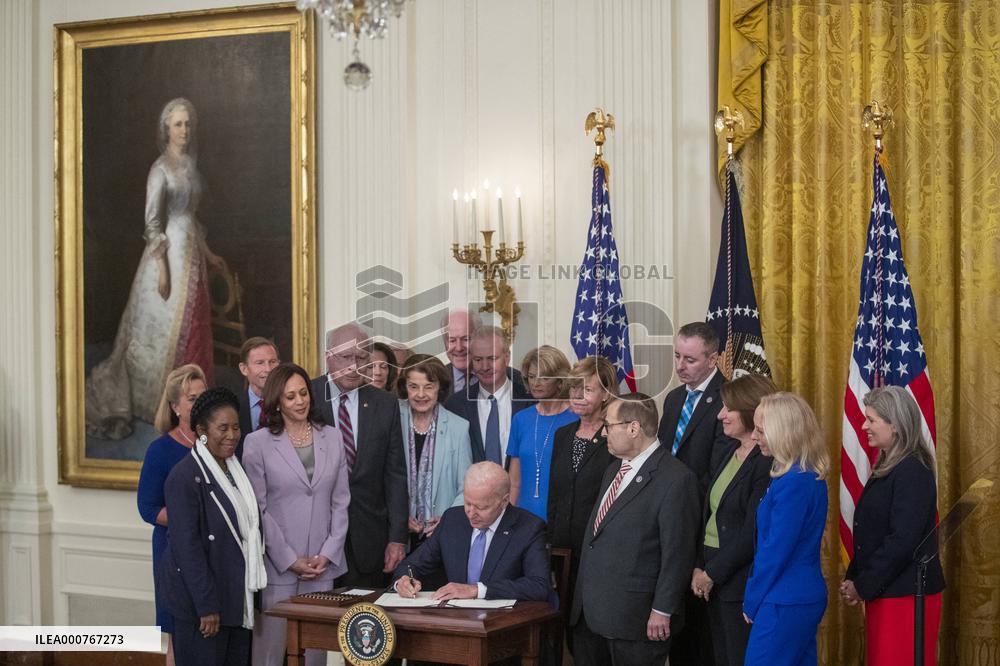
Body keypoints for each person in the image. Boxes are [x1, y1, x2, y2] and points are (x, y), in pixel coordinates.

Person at [86, 98, 226, 440]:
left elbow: (191, 217)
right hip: (169, 256)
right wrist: (162, 267)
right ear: (166, 129)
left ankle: (197, 402)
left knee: (194, 325)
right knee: (160, 331)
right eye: (177, 124)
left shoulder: (191, 165)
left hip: (191, 251)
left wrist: (209, 254)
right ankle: (160, 403)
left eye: (187, 124)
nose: (184, 130)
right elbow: (152, 222)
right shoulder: (159, 168)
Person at [571, 393, 701, 666]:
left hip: (637, 619)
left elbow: (677, 554)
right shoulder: (614, 470)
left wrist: (662, 609)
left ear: (633, 428)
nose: (604, 433)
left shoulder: (676, 479)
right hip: (593, 613)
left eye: (609, 426)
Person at [242, 363, 350, 666]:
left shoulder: (333, 437)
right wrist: (289, 559)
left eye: (303, 393)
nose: (300, 401)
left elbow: (341, 501)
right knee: (271, 655)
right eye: (290, 397)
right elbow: (257, 510)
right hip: (279, 569)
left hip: (321, 568)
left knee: (314, 655)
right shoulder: (257, 443)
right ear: (276, 401)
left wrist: (327, 553)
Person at [160, 387, 267, 666]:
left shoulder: (235, 471)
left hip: (236, 601)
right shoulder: (183, 477)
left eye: (235, 427)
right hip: (204, 608)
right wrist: (206, 606)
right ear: (201, 430)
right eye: (223, 428)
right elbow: (187, 548)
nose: (232, 435)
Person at [840, 386, 944, 665]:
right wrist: (856, 577)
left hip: (907, 597)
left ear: (895, 425)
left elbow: (901, 540)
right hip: (888, 591)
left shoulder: (911, 470)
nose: (864, 426)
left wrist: (864, 584)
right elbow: (872, 531)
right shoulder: (891, 464)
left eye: (872, 420)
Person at [310, 322, 408, 587]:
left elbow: (395, 474)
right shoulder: (307, 397)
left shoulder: (384, 404)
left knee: (366, 623)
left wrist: (397, 538)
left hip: (370, 539)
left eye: (362, 357)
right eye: (346, 357)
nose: (354, 365)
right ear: (328, 357)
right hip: (316, 538)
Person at [657, 321, 732, 665]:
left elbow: (719, 472)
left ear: (713, 358)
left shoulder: (728, 400)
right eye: (676, 356)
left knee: (700, 634)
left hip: (703, 521)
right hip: (668, 519)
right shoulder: (673, 400)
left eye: (689, 359)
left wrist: (681, 501)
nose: (680, 366)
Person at [691, 374, 777, 666]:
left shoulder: (766, 461)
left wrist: (711, 573)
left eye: (728, 408)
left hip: (737, 580)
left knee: (737, 658)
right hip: (711, 572)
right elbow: (711, 513)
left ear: (750, 411)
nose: (720, 415)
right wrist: (700, 566)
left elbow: (751, 530)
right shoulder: (729, 451)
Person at [742, 392, 829, 666]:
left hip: (784, 599)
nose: (754, 436)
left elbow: (776, 549)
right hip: (797, 596)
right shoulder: (802, 474)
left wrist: (752, 599)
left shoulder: (794, 481)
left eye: (760, 430)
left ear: (783, 431)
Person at [392, 462, 550, 602]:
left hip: (504, 624)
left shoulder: (529, 528)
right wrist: (403, 580)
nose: (470, 513)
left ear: (504, 501)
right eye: (468, 503)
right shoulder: (453, 519)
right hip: (457, 621)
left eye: (481, 507)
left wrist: (477, 590)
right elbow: (412, 564)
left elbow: (539, 585)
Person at [137, 364, 206, 666]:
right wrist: (191, 522)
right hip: (173, 553)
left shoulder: (221, 443)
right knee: (179, 635)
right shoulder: (160, 450)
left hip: (213, 554)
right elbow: (148, 508)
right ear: (176, 406)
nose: (199, 403)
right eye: (192, 398)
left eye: (203, 396)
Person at [546, 356, 617, 649]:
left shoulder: (615, 435)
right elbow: (555, 495)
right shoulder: (564, 434)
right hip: (563, 549)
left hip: (598, 550)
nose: (577, 395)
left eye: (587, 389)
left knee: (591, 637)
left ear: (606, 394)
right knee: (563, 633)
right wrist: (549, 544)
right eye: (574, 388)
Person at [396, 354, 473, 553]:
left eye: (428, 386)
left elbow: (466, 487)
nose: (421, 394)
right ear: (405, 387)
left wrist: (447, 519)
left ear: (440, 387)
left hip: (440, 536)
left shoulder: (459, 427)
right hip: (396, 538)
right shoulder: (392, 416)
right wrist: (398, 517)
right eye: (414, 386)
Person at [444, 326, 535, 466]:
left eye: (492, 358)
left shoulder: (530, 400)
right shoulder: (455, 405)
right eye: (478, 360)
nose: (485, 367)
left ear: (507, 357)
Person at [508, 346, 576, 519]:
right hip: (523, 518)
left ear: (560, 381)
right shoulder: (521, 419)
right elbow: (514, 482)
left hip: (561, 518)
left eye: (544, 377)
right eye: (531, 376)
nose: (535, 383)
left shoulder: (576, 419)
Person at [236, 337, 280, 460]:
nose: (268, 369)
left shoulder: (290, 403)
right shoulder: (234, 406)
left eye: (272, 362)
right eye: (260, 363)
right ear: (244, 369)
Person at [441, 309, 481, 396]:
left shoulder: (510, 377)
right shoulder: (433, 379)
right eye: (452, 340)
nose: (459, 348)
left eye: (466, 339)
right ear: (445, 343)